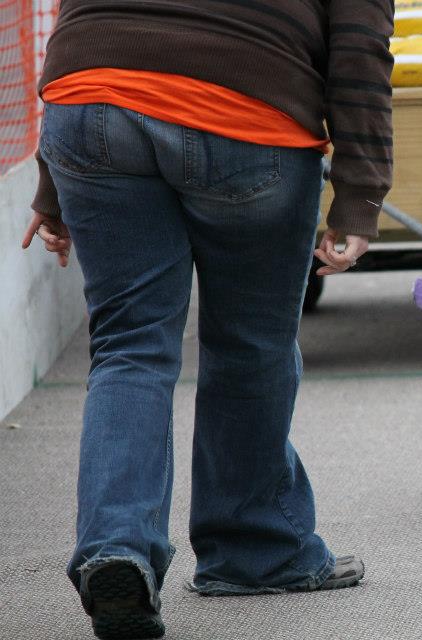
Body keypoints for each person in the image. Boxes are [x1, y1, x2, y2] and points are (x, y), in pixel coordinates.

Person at [20, 2, 394, 638]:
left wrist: (54, 188)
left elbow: (79, 21)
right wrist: (359, 198)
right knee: (250, 343)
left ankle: (118, 549)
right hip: (248, 117)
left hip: (90, 104)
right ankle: (254, 551)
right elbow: (360, 48)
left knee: (129, 346)